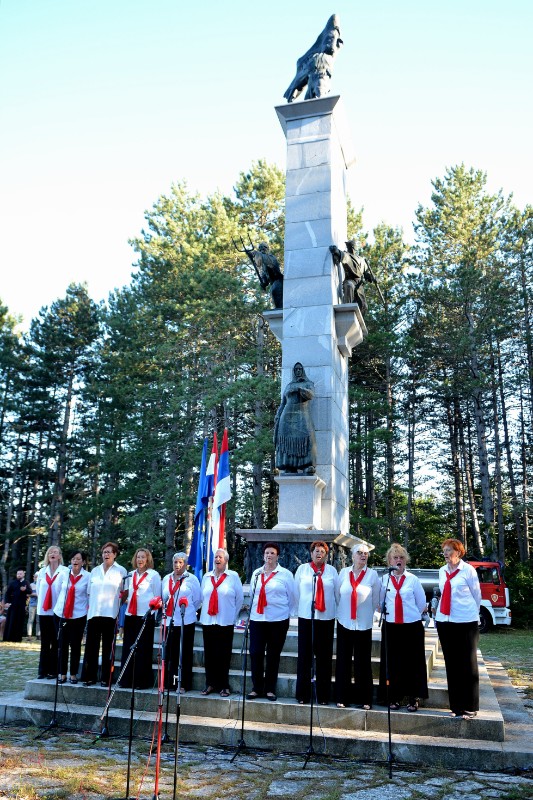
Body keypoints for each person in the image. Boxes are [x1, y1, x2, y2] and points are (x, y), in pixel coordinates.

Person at [435, 538, 482, 720]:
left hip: (466, 621)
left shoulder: (468, 570)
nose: (446, 553)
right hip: (445, 621)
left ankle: (470, 706)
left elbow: (476, 595)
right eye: (444, 550)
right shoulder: (441, 571)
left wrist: (471, 613)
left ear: (458, 552)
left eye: (449, 550)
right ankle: (456, 705)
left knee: (468, 663)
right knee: (452, 663)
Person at [378, 544, 428, 712]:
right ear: (389, 561)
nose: (398, 561)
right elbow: (379, 603)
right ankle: (393, 696)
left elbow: (421, 604)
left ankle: (413, 697)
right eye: (395, 558)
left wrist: (409, 615)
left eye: (401, 558)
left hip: (411, 626)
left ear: (405, 561)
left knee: (412, 663)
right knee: (393, 663)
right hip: (391, 626)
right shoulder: (384, 580)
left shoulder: (412, 579)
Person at [247, 542, 297, 702]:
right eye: (267, 553)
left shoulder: (285, 574)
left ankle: (269, 689)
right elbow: (252, 595)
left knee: (273, 655)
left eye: (272, 553)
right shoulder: (256, 573)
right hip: (257, 619)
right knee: (255, 653)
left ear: (277, 556)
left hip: (278, 620)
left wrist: (285, 613)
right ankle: (256, 688)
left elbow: (293, 597)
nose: (269, 555)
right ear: (263, 555)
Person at [335, 543, 380, 709]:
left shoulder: (372, 575)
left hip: (363, 624)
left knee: (363, 662)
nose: (363, 556)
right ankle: (342, 697)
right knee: (343, 661)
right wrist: (346, 611)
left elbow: (376, 599)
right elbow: (338, 594)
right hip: (345, 622)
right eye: (359, 553)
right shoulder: (343, 573)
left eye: (366, 554)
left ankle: (365, 699)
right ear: (352, 556)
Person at [294, 540, 338, 705]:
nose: (318, 553)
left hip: (326, 619)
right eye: (316, 551)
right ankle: (303, 695)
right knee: (304, 657)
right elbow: (295, 592)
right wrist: (304, 606)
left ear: (326, 555)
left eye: (322, 551)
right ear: (311, 553)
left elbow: (336, 593)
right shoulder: (303, 569)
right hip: (307, 617)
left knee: (324, 658)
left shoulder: (332, 571)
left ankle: (323, 695)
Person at [199, 548, 243, 697]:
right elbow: (201, 597)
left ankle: (224, 685)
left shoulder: (233, 576)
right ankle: (210, 683)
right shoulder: (207, 576)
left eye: (220, 557)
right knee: (209, 654)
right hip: (208, 621)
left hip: (225, 621)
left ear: (226, 560)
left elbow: (239, 599)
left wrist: (231, 615)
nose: (217, 559)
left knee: (224, 654)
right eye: (216, 557)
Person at [82, 542, 127, 687]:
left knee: (108, 648)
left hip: (111, 614)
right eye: (104, 552)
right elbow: (89, 592)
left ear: (115, 554)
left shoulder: (121, 571)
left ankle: (106, 678)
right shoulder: (94, 571)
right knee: (91, 648)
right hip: (94, 613)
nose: (106, 554)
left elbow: (125, 594)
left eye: (109, 552)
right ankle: (89, 677)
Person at [119, 547, 161, 690]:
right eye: (138, 557)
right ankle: (126, 680)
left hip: (145, 616)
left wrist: (152, 615)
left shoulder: (153, 575)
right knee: (128, 647)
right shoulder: (130, 575)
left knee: (143, 649)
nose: (140, 560)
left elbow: (157, 597)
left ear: (148, 559)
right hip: (131, 615)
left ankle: (141, 681)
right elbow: (126, 596)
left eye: (143, 557)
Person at [162, 552, 201, 693]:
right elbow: (163, 596)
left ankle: (182, 683)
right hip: (170, 621)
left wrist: (189, 611)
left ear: (185, 564)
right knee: (171, 654)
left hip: (186, 621)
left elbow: (197, 600)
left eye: (181, 562)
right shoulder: (167, 578)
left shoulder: (192, 579)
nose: (177, 565)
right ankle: (171, 682)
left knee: (183, 654)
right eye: (175, 562)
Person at [53, 550, 90, 683]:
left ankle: (73, 674)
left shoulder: (87, 576)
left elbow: (88, 595)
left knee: (75, 645)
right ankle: (62, 673)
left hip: (79, 615)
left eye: (78, 559)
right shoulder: (64, 574)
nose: (75, 561)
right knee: (62, 645)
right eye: (73, 558)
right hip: (62, 614)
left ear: (83, 562)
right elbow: (58, 590)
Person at [274, 362, 317, 474]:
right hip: (286, 415)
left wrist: (299, 389)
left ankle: (307, 465)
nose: (298, 371)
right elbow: (283, 403)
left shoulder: (308, 383)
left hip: (302, 414)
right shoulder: (288, 386)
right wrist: (278, 415)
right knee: (286, 441)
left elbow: (311, 395)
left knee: (306, 438)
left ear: (302, 371)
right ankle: (289, 465)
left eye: (300, 369)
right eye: (296, 369)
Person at [36, 546, 68, 679]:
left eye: (55, 552)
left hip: (57, 612)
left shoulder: (65, 571)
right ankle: (42, 670)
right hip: (43, 611)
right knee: (45, 642)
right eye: (50, 552)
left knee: (56, 642)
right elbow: (39, 591)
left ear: (60, 556)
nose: (52, 554)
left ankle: (53, 670)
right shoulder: (42, 572)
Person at [329, 241, 376, 314]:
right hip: (350, 280)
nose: (350, 249)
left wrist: (373, 278)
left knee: (364, 305)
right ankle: (346, 309)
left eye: (351, 247)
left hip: (359, 284)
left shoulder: (362, 260)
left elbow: (366, 274)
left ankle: (359, 321)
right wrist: (336, 251)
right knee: (349, 286)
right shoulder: (347, 255)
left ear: (355, 248)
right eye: (349, 247)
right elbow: (342, 255)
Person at [3, 569, 30, 642]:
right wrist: (7, 602)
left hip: (21, 605)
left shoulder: (26, 583)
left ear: (23, 574)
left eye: (20, 574)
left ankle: (17, 639)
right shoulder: (13, 583)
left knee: (19, 621)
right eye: (18, 574)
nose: (19, 575)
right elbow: (7, 593)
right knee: (11, 620)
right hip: (13, 605)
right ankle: (8, 638)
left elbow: (30, 591)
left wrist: (25, 590)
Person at [254, 242, 284, 309]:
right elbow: (265, 279)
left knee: (275, 292)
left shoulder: (271, 257)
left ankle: (280, 310)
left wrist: (257, 254)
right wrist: (263, 283)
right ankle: (278, 309)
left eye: (264, 248)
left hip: (279, 280)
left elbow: (270, 264)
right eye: (260, 249)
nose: (262, 250)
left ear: (267, 249)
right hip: (273, 282)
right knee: (273, 296)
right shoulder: (264, 266)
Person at [27, 572, 40, 638]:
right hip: (32, 604)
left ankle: (38, 635)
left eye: (37, 577)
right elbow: (28, 594)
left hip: (39, 605)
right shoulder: (31, 585)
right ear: (33, 577)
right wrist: (35, 594)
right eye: (35, 577)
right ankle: (29, 635)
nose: (36, 578)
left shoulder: (41, 585)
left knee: (38, 621)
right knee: (30, 620)